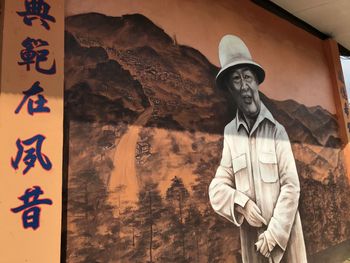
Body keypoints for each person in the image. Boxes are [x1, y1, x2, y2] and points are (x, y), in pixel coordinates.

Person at [209, 35, 307, 263]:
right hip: (253, 247)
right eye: (236, 79)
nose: (244, 86)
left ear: (256, 83)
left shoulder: (277, 132)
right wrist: (240, 204)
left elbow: (291, 187)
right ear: (230, 89)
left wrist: (273, 235)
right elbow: (217, 187)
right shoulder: (230, 134)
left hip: (285, 246)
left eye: (248, 77)